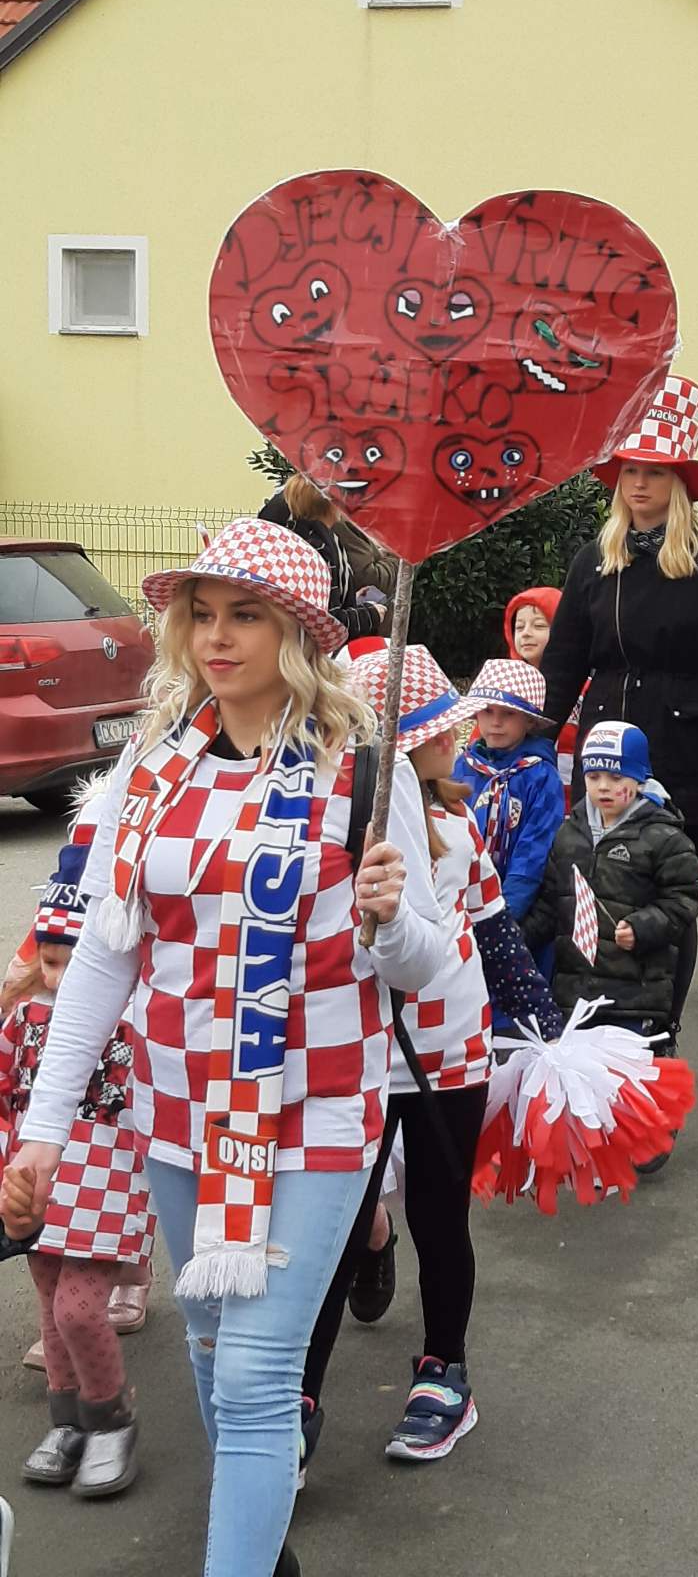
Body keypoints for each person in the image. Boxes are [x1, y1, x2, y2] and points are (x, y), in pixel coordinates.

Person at [0, 518, 448, 1577]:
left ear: (295, 630)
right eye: (199, 614)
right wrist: (47, 1132)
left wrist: (390, 918)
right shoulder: (151, 771)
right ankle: (264, 1547)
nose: (216, 636)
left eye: (243, 614)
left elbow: (423, 962)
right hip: (173, 1116)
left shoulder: (365, 769)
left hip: (319, 1114)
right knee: (209, 1346)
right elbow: (104, 961)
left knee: (252, 1376)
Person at [300, 643, 562, 1475]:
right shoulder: (342, 820)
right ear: (411, 740)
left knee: (440, 1219)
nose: (461, 738)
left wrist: (549, 1026)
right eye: (445, 726)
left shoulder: (457, 821)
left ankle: (444, 1368)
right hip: (361, 1056)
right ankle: (295, 1398)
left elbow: (493, 931)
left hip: (451, 1055)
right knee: (333, 1232)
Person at [540, 376, 698, 1032]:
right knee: (599, 891)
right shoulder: (595, 560)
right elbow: (562, 664)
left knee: (670, 900)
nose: (639, 485)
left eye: (655, 472)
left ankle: (656, 1030)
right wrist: (528, 740)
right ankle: (597, 1029)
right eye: (630, 471)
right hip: (608, 752)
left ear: (680, 481)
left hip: (691, 755)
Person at [1, 833, 154, 1500]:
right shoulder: (23, 1018)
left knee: (79, 1310)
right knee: (48, 1302)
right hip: (33, 1181)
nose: (61, 980)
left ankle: (111, 1418)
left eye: (72, 963)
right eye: (52, 963)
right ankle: (69, 1422)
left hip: (104, 1184)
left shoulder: (124, 1024)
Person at [522, 721, 698, 1040]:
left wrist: (643, 926)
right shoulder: (569, 834)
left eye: (616, 777)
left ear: (640, 778)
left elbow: (684, 900)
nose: (603, 786)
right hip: (574, 996)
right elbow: (551, 902)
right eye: (593, 777)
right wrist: (516, 940)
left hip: (635, 999)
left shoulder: (664, 837)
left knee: (626, 1084)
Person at [453, 659, 563, 922]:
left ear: (530, 722)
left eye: (509, 714)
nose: (496, 722)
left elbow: (533, 853)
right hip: (457, 899)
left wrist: (504, 919)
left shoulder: (541, 776)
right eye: (487, 711)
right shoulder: (461, 767)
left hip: (515, 909)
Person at [260, 475, 386, 641]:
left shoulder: (302, 538)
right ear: (331, 504)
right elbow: (326, 621)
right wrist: (371, 614)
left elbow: (319, 606)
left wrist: (351, 600)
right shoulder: (318, 548)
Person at [503, 586, 578, 787]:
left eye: (538, 626)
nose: (526, 634)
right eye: (519, 627)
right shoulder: (506, 685)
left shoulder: (583, 687)